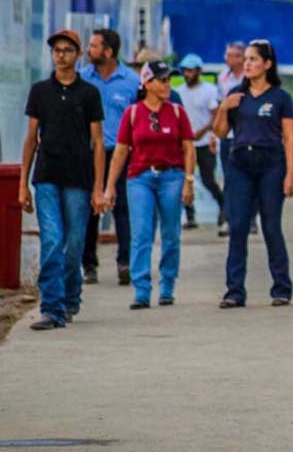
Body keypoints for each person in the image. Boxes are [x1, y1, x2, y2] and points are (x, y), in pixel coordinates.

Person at [19, 30, 105, 330]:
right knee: (52, 241)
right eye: (57, 50)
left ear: (78, 55)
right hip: (46, 177)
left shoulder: (90, 93)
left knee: (73, 245)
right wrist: (23, 185)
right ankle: (52, 308)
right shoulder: (40, 91)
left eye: (68, 50)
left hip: (79, 179)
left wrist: (99, 188)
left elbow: (97, 142)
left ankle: (70, 298)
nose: (62, 55)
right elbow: (30, 139)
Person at [212, 40, 293, 308]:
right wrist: (224, 108)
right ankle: (234, 290)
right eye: (245, 59)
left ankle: (281, 288)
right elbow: (220, 132)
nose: (247, 63)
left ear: (267, 64)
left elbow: (290, 138)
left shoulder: (281, 98)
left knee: (271, 226)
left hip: (271, 162)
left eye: (253, 59)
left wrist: (290, 175)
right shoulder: (236, 95)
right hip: (239, 162)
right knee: (237, 226)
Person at [105, 61, 195, 309]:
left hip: (171, 177)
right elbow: (121, 151)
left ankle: (167, 285)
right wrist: (110, 186)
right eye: (163, 80)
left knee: (170, 234)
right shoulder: (132, 113)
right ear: (147, 83)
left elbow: (188, 147)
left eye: (169, 80)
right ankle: (141, 289)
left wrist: (188, 181)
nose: (168, 85)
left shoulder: (177, 111)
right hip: (140, 178)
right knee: (142, 233)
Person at [80, 28, 139, 285]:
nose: (88, 51)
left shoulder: (132, 81)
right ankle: (89, 264)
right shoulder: (82, 78)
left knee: (123, 208)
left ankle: (124, 262)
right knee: (89, 209)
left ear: (108, 51)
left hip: (121, 153)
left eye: (94, 46)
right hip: (89, 153)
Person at [176, 54, 226, 235]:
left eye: (191, 70)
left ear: (198, 71)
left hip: (204, 142)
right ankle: (190, 215)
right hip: (184, 143)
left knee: (207, 179)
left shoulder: (210, 90)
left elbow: (215, 115)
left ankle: (223, 207)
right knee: (183, 179)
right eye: (185, 71)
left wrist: (202, 132)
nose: (187, 74)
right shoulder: (179, 91)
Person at [218, 41, 258, 235]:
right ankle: (230, 219)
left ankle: (251, 219)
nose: (229, 58)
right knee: (229, 180)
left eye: (234, 55)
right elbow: (220, 108)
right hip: (227, 136)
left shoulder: (251, 78)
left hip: (248, 137)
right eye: (227, 55)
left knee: (251, 180)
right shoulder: (222, 79)